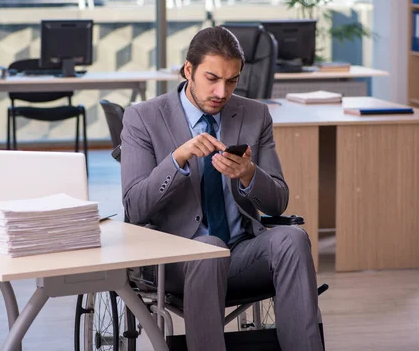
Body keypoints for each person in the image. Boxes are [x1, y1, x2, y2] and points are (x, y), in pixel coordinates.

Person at [120, 26, 323, 351]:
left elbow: (278, 203)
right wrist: (178, 159)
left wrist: (248, 174)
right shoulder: (143, 118)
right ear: (189, 70)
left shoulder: (255, 114)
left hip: (241, 252)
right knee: (209, 246)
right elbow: (135, 207)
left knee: (292, 238)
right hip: (175, 259)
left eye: (231, 81)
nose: (221, 91)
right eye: (212, 78)